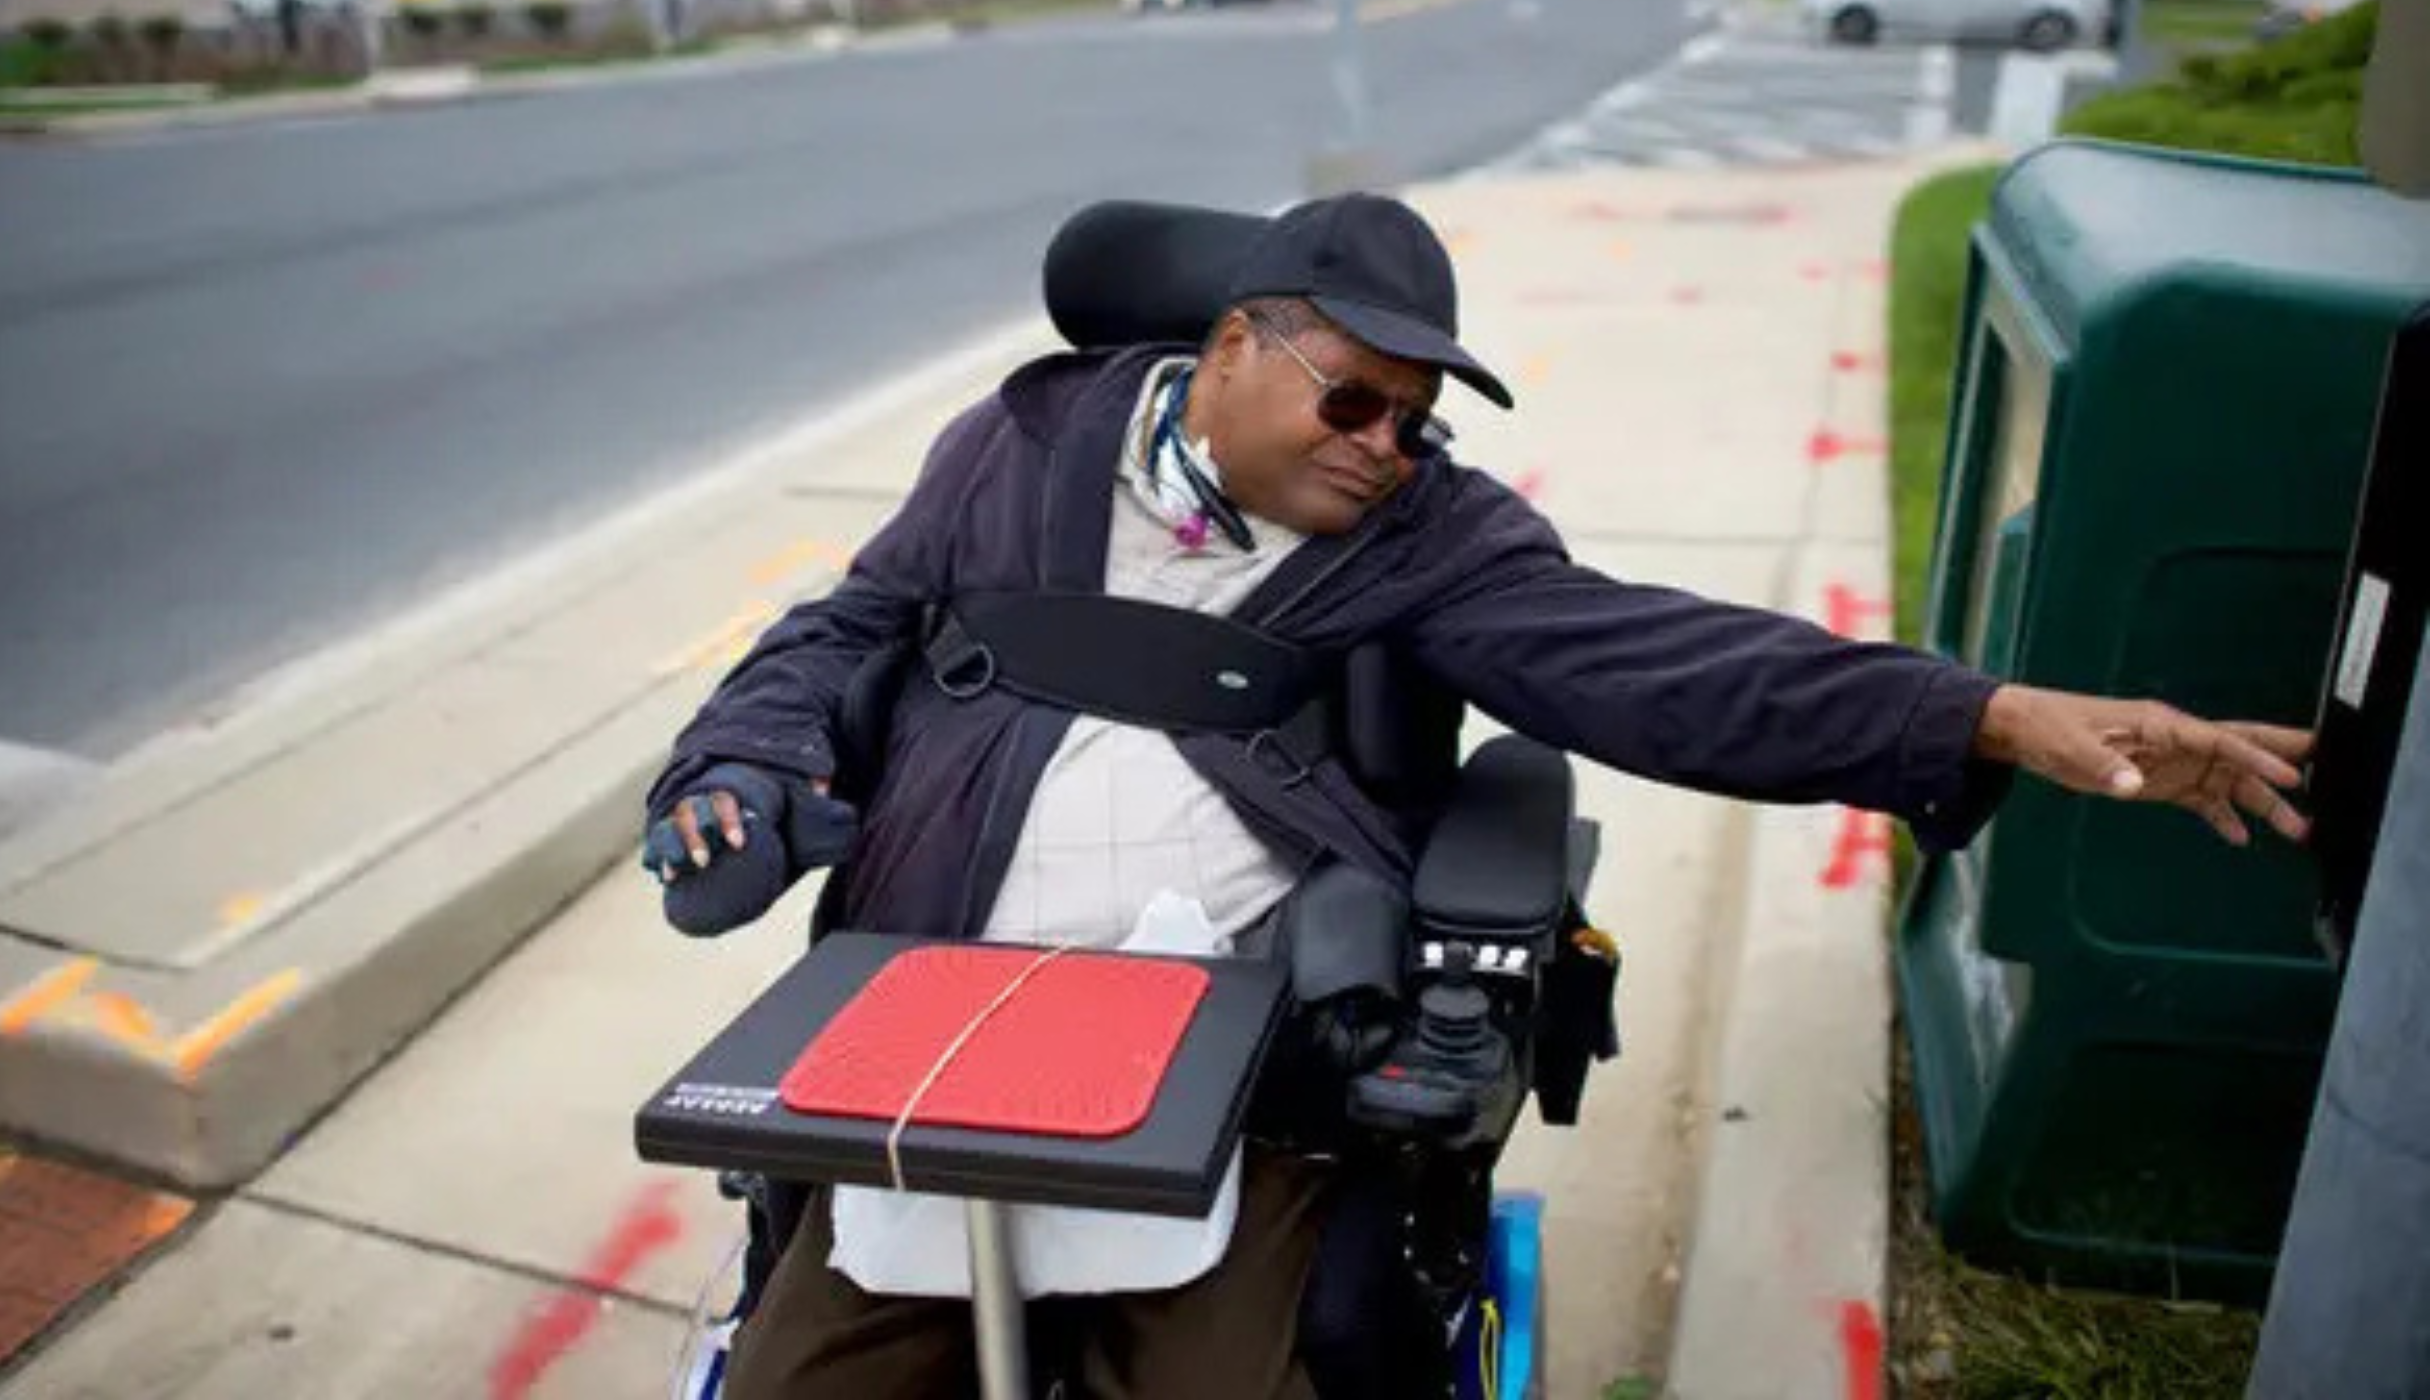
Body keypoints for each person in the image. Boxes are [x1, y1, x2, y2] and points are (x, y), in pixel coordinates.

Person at [641, 191, 2312, 1400]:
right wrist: (742, 757)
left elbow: (1675, 667)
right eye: (1352, 398)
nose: (1383, 445)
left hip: (1234, 1062)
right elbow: (849, 626)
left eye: (1415, 417)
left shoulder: (1433, 537)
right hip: (936, 1021)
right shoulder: (1019, 444)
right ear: (1230, 347)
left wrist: (1994, 719)